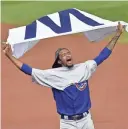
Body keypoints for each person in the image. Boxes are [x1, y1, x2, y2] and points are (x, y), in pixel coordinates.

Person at [2, 22, 125, 129]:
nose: (67, 55)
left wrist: (117, 35)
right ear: (59, 61)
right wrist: (9, 55)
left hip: (86, 121)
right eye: (63, 54)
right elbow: (29, 70)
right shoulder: (53, 75)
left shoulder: (84, 68)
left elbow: (103, 55)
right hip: (67, 124)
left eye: (68, 53)